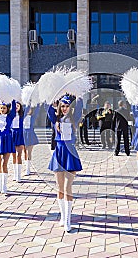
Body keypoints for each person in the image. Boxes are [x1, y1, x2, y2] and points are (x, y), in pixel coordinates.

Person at [47, 95, 83, 232]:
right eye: (62, 106)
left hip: (70, 153)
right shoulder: (55, 119)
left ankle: (68, 219)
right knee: (60, 188)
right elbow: (48, 106)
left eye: (67, 106)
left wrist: (79, 94)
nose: (65, 108)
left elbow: (79, 105)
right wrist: (52, 94)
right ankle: (62, 216)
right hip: (59, 152)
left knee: (68, 187)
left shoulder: (74, 118)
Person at [0, 101, 16, 194]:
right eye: (1, 108)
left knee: (4, 163)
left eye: (4, 108)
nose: (2, 110)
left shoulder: (10, 116)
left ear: (7, 109)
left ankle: (4, 185)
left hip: (7, 139)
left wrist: (13, 98)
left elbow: (13, 108)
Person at [23, 104, 40, 176]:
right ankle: (26, 166)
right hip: (23, 135)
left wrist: (38, 102)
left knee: (28, 151)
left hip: (30, 135)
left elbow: (37, 110)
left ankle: (28, 168)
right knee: (24, 151)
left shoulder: (32, 117)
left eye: (30, 109)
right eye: (27, 109)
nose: (28, 110)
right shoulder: (22, 117)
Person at [11, 102, 25, 182]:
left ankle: (19, 175)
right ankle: (15, 174)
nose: (16, 107)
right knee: (13, 156)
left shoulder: (22, 115)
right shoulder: (10, 115)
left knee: (19, 155)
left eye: (18, 105)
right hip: (12, 135)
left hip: (20, 135)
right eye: (15, 105)